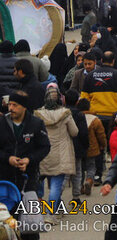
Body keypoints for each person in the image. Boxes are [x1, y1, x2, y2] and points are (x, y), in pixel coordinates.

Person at [0, 92, 50, 239]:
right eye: (9, 104)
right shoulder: (2, 124)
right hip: (5, 182)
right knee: (6, 223)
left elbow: (45, 147)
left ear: (24, 107)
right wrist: (7, 158)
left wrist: (29, 159)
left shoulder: (36, 124)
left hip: (28, 182)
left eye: (15, 105)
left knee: (30, 226)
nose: (11, 108)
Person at [34, 84, 78, 224]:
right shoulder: (65, 113)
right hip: (62, 153)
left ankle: (58, 209)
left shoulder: (39, 114)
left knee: (51, 183)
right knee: (56, 185)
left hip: (45, 153)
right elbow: (74, 132)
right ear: (60, 97)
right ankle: (50, 214)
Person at [77, 97, 106, 198]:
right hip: (92, 148)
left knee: (80, 168)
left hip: (79, 148)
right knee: (91, 166)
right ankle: (89, 181)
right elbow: (101, 135)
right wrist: (103, 144)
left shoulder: (76, 118)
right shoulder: (95, 120)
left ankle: (80, 186)